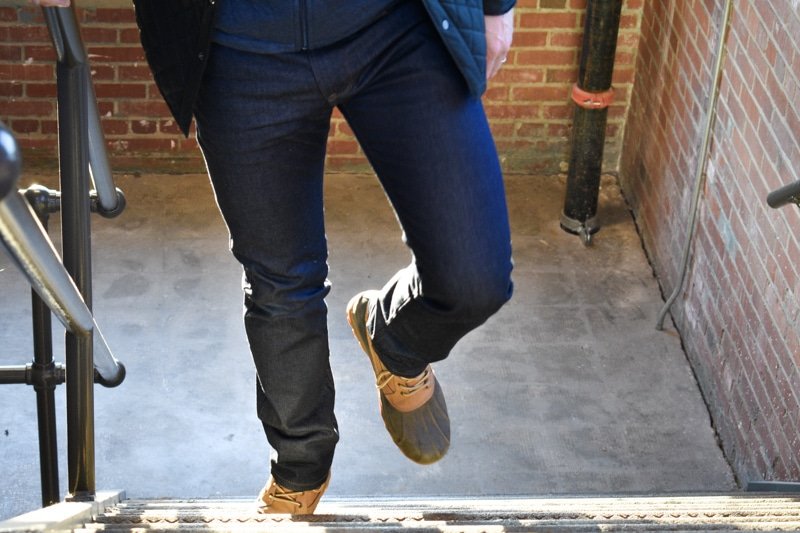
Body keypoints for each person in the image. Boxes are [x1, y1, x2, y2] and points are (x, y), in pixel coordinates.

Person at [31, 0, 515, 515]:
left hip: (396, 27)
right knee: (280, 283)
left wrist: (495, 6)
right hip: (240, 45)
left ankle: (394, 337)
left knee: (474, 279)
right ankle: (299, 469)